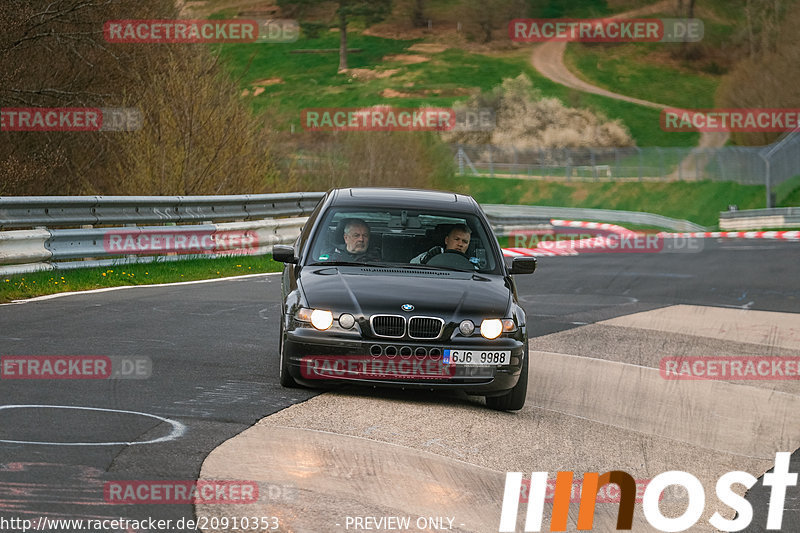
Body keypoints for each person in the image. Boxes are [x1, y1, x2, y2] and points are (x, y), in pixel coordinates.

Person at [411, 224, 478, 268]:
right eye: (456, 239)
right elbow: (412, 265)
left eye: (465, 242)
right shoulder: (431, 255)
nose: (460, 244)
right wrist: (427, 258)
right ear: (446, 240)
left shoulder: (471, 265)